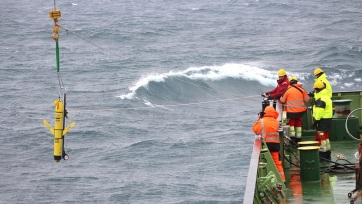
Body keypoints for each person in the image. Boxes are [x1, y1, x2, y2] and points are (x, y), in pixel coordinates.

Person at [252, 106, 285, 182]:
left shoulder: (262, 121)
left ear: (265, 113)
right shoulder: (276, 122)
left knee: (265, 161)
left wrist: (259, 119)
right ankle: (282, 179)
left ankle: (267, 178)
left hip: (265, 145)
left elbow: (254, 129)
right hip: (275, 145)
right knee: (277, 162)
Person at [280, 76, 310, 144]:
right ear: (296, 82)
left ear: (290, 82)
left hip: (291, 112)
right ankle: (298, 139)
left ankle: (292, 139)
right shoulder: (302, 90)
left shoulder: (288, 90)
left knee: (292, 125)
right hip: (301, 112)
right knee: (298, 124)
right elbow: (307, 99)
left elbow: (282, 100)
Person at [312, 81, 332, 160]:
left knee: (321, 137)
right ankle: (327, 154)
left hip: (322, 120)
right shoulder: (326, 97)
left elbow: (319, 112)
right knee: (326, 137)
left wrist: (315, 121)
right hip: (327, 120)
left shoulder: (321, 99)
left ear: (317, 89)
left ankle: (322, 155)